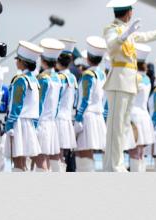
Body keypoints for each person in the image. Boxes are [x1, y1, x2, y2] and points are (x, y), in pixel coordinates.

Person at [101, 0, 156, 172]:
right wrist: (124, 35)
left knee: (123, 126)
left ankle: (115, 164)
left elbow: (149, 36)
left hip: (129, 82)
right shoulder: (112, 29)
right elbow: (111, 46)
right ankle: (114, 165)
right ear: (128, 12)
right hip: (118, 81)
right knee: (115, 126)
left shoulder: (129, 31)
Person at [4, 41, 43, 172]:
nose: (16, 62)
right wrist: (35, 125)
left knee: (17, 163)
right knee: (24, 163)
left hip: (18, 123)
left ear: (22, 62)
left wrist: (9, 125)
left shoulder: (20, 79)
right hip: (29, 124)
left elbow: (16, 105)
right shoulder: (35, 80)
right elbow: (38, 106)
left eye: (18, 60)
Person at [74, 36, 108, 172]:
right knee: (88, 154)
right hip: (98, 115)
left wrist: (78, 118)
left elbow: (85, 99)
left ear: (88, 58)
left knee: (83, 153)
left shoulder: (88, 74)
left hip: (87, 116)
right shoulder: (102, 74)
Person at [36, 38, 65, 171]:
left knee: (41, 159)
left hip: (42, 122)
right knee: (50, 160)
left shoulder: (43, 78)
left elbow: (39, 103)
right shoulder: (58, 78)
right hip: (52, 122)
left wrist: (34, 124)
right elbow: (58, 103)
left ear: (43, 60)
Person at [126, 43, 154, 172]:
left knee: (134, 151)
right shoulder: (147, 78)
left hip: (134, 117)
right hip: (144, 115)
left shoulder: (133, 77)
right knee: (141, 152)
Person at [54, 42, 78, 172]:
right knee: (63, 155)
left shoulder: (58, 77)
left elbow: (54, 100)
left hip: (57, 118)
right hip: (67, 118)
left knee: (55, 155)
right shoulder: (73, 77)